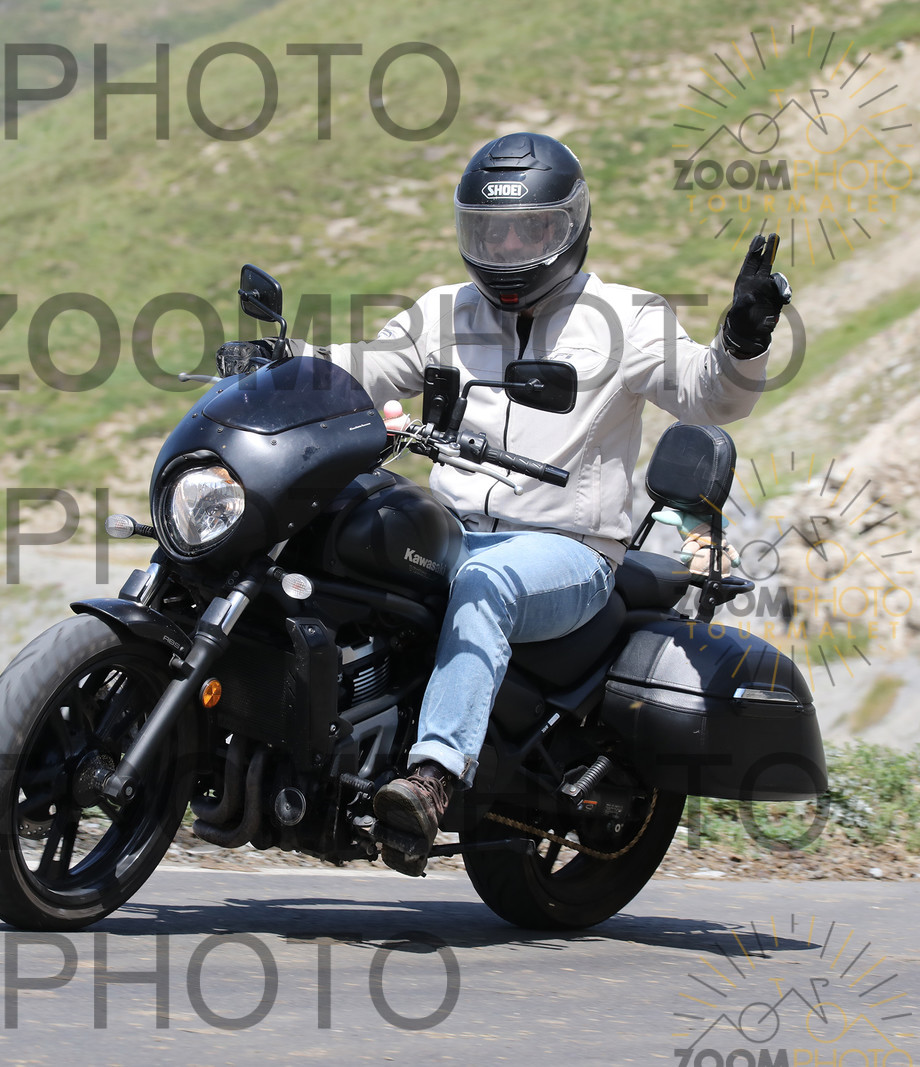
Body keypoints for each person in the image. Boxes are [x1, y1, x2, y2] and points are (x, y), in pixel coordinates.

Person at [219, 132, 790, 875]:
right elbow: (363, 368)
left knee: (486, 582)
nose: (509, 246)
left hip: (569, 551)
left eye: (530, 229)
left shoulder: (626, 318)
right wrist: (286, 362)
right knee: (336, 530)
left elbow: (708, 395)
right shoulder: (444, 312)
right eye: (492, 231)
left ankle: (432, 776)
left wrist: (742, 340)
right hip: (452, 530)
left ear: (569, 228)